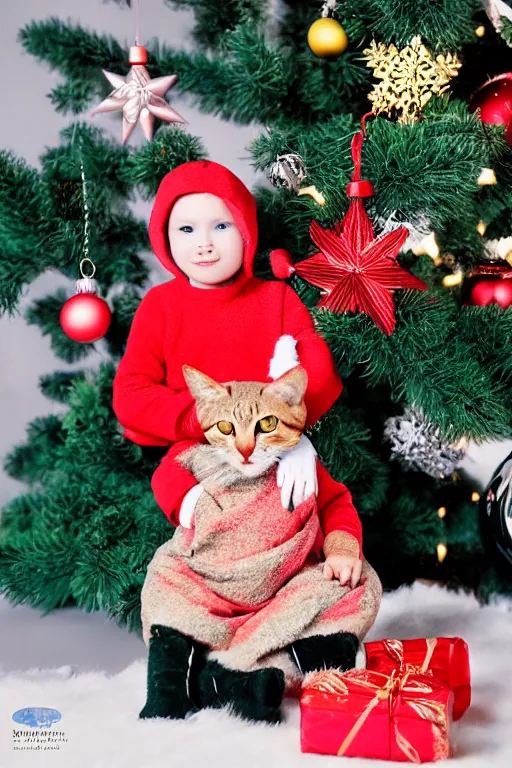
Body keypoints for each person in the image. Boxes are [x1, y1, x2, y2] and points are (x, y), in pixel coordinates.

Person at [113, 160, 351, 547]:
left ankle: (296, 565)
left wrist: (294, 438)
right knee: (171, 479)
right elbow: (130, 394)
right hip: (199, 445)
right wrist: (196, 418)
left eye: (221, 227)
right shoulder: (160, 305)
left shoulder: (276, 298)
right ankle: (207, 536)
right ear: (165, 237)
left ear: (245, 233)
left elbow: (317, 369)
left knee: (309, 496)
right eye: (186, 229)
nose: (203, 243)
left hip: (269, 438)